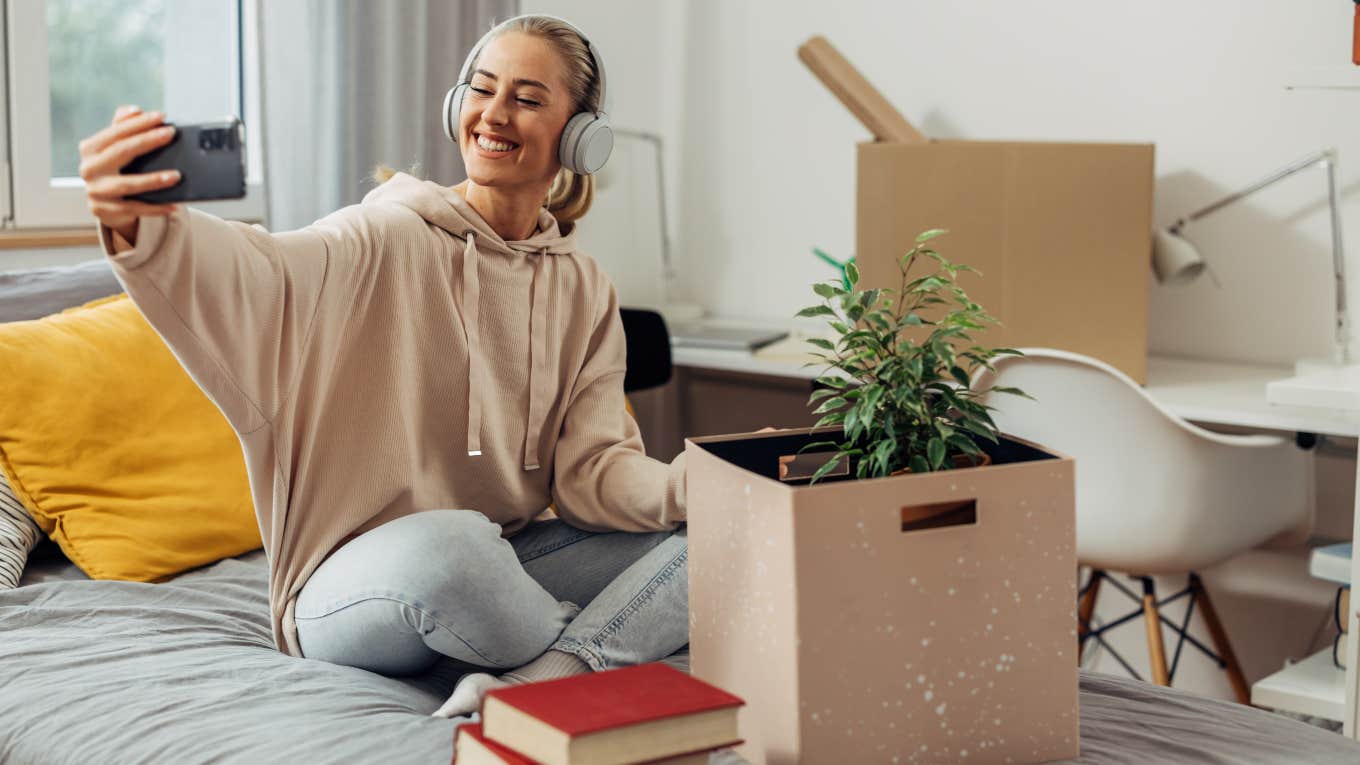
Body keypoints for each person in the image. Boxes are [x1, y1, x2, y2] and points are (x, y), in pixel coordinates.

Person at [79, 14, 688, 719]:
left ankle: (543, 676)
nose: (493, 114)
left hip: (503, 562)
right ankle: (587, 651)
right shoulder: (382, 235)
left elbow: (593, 472)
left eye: (526, 98)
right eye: (481, 90)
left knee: (716, 545)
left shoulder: (583, 288)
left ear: (581, 135)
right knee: (457, 548)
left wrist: (691, 485)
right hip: (348, 589)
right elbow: (262, 274)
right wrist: (141, 224)